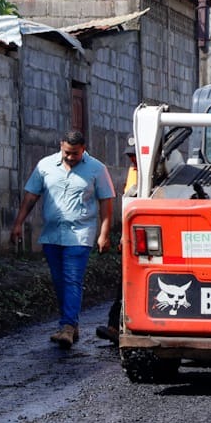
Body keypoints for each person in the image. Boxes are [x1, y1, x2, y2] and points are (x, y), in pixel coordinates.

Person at [11, 131, 115, 348]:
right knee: (59, 281)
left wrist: (104, 233)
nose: (70, 157)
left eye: (75, 154)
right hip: (52, 235)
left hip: (80, 234)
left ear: (84, 149)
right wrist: (18, 223)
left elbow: (106, 202)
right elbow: (31, 196)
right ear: (61, 146)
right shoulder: (45, 166)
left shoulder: (97, 169)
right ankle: (71, 324)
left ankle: (67, 326)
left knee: (72, 279)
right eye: (67, 152)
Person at [96, 141, 137, 344]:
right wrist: (123, 234)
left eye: (134, 155)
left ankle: (124, 326)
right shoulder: (134, 171)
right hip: (131, 234)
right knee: (123, 284)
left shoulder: (161, 169)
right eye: (130, 156)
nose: (132, 159)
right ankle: (115, 326)